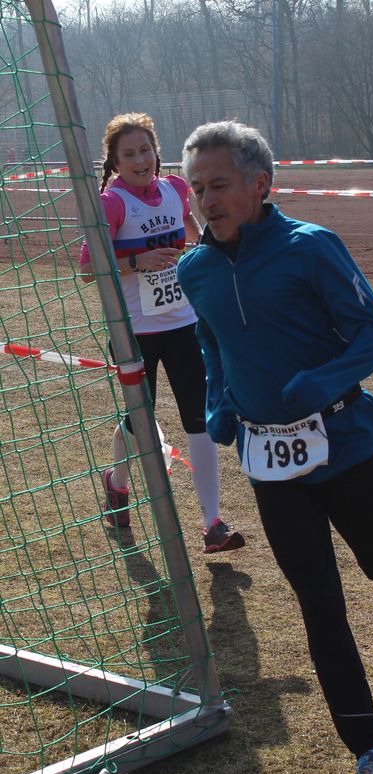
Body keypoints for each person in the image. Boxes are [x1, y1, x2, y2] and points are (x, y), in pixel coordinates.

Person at [177, 120, 373, 774]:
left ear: (260, 184)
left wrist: (323, 379)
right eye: (197, 188)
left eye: (219, 184)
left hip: (343, 441)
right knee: (319, 603)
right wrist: (219, 404)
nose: (207, 200)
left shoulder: (310, 247)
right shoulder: (194, 270)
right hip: (269, 459)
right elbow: (210, 345)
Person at [80, 112, 244, 554]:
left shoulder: (174, 188)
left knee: (199, 419)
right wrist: (136, 262)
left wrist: (208, 253)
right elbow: (87, 268)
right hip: (134, 332)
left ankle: (212, 523)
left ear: (157, 152)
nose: (140, 160)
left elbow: (195, 234)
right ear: (115, 162)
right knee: (140, 421)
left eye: (145, 150)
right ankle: (117, 482)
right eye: (129, 154)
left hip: (184, 324)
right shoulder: (112, 202)